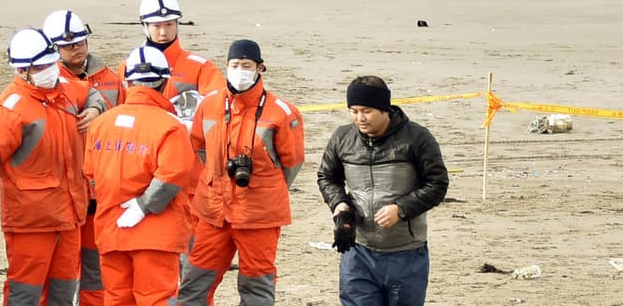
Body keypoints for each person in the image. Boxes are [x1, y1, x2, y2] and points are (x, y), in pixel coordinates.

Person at [0, 28, 93, 306]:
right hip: (32, 222)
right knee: (25, 294)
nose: (49, 70)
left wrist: (95, 110)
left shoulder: (64, 90)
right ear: (23, 70)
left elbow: (92, 94)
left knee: (63, 293)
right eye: (41, 66)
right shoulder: (12, 109)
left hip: (69, 217)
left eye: (51, 63)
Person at [179, 39, 304, 306]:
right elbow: (199, 146)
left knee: (256, 286)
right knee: (195, 283)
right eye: (234, 65)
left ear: (260, 68)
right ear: (226, 66)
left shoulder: (281, 112)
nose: (240, 70)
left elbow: (292, 162)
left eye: (246, 65)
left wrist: (267, 190)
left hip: (258, 216)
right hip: (214, 212)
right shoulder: (209, 104)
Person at [316, 75, 449, 306]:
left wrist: (402, 209)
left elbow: (438, 184)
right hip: (357, 250)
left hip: (406, 252)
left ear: (384, 109)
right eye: (354, 111)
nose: (359, 118)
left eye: (366, 110)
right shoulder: (342, 138)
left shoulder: (417, 138)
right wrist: (340, 204)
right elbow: (327, 177)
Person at [83, 45, 195, 306]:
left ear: (129, 81)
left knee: (117, 299)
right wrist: (144, 206)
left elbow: (90, 174)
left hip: (112, 230)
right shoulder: (171, 126)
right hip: (157, 234)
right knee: (156, 299)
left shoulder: (100, 124)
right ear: (164, 82)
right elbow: (173, 173)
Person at [42, 8, 124, 306]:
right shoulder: (46, 82)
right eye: (68, 45)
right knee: (57, 271)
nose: (76, 48)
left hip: (97, 192)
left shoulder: (111, 80)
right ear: (53, 49)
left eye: (80, 42)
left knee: (96, 271)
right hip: (60, 193)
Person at [129, 0, 223, 100]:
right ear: (145, 26)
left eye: (169, 24)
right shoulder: (128, 67)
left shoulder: (202, 68)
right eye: (157, 26)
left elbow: (218, 106)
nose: (163, 32)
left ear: (177, 23)